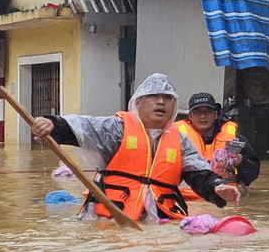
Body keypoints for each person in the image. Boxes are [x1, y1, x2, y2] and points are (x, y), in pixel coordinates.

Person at [30, 73, 241, 223]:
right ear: (139, 102)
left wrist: (217, 187)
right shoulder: (117, 128)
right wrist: (53, 125)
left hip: (160, 216)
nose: (161, 102)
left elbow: (200, 174)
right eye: (154, 97)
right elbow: (81, 127)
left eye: (167, 98)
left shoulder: (180, 140)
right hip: (111, 217)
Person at [174, 92, 260, 199]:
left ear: (215, 114)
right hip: (187, 200)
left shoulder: (234, 138)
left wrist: (241, 162)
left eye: (207, 112)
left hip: (224, 198)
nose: (202, 116)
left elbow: (252, 175)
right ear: (190, 116)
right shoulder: (176, 138)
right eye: (197, 112)